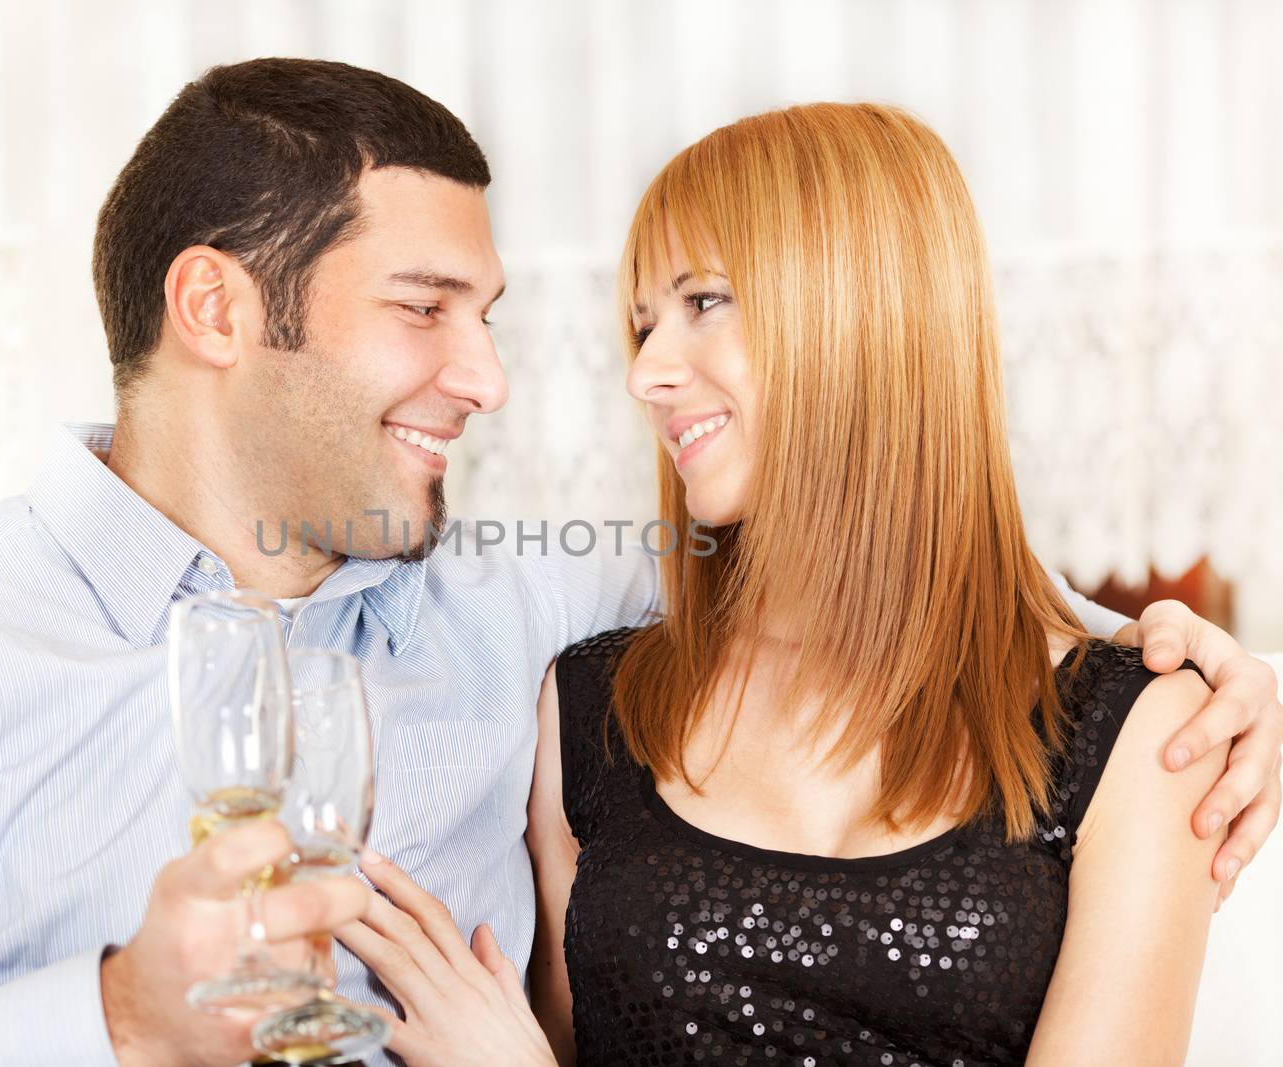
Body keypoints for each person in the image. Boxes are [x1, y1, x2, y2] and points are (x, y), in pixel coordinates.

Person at [0, 61, 1276, 1067]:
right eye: (426, 308)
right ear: (220, 309)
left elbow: (862, 552)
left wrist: (1169, 654)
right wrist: (107, 1022)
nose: (493, 376)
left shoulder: (519, 611)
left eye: (495, 316)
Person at [341, 103, 1276, 1066]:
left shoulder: (1145, 730)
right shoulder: (589, 706)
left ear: (867, 314)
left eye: (703, 302)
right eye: (643, 324)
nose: (648, 372)